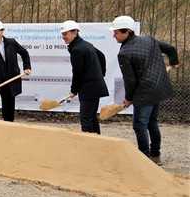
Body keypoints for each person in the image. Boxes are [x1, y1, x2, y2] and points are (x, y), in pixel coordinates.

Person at [111, 15, 179, 165]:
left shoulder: (124, 53)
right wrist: (174, 63)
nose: (113, 35)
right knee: (152, 122)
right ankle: (155, 155)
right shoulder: (149, 40)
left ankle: (144, 160)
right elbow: (171, 49)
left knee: (140, 125)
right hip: (159, 87)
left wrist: (128, 98)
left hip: (145, 92)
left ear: (127, 32)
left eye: (116, 32)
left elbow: (130, 80)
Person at [61, 20, 108, 134]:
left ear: (75, 32)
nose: (63, 37)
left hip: (89, 89)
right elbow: (101, 56)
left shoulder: (77, 49)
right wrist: (101, 74)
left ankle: (89, 146)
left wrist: (74, 90)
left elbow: (77, 73)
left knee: (86, 119)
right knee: (91, 117)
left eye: (65, 34)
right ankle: (97, 142)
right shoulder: (85, 44)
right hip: (94, 86)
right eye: (62, 34)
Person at [0, 19, 32, 122]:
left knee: (8, 109)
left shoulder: (11, 42)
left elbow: (24, 53)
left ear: (2, 31)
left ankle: (9, 128)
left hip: (10, 80)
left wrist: (27, 67)